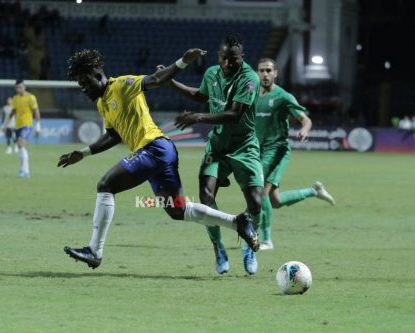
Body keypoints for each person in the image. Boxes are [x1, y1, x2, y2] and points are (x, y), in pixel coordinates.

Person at [58, 48, 259, 270]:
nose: (84, 89)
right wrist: (83, 153)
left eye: (85, 82)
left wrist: (183, 61)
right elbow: (114, 136)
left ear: (97, 75)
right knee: (177, 210)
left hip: (155, 148)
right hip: (159, 153)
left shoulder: (122, 85)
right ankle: (237, 222)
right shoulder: (101, 103)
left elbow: (155, 79)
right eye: (80, 86)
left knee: (106, 185)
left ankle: (95, 250)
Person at [159, 33, 264, 275]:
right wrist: (171, 83)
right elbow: (199, 95)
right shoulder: (211, 74)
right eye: (224, 59)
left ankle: (249, 244)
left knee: (256, 202)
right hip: (217, 146)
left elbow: (234, 114)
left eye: (233, 60)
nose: (228, 64)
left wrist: (198, 117)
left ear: (242, 58)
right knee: (206, 197)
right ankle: (218, 247)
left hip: (244, 147)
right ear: (219, 56)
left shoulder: (249, 78)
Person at [255, 58, 335, 251]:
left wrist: (305, 129)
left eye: (268, 71)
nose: (265, 74)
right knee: (275, 202)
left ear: (276, 73)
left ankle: (266, 240)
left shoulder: (283, 96)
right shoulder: (251, 94)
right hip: (258, 151)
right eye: (261, 71)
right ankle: (313, 191)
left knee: (260, 190)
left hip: (277, 150)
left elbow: (305, 119)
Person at [2, 80, 41, 178]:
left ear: (24, 87)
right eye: (17, 88)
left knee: (20, 143)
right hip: (18, 126)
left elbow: (36, 111)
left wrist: (38, 126)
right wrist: (5, 124)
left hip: (27, 125)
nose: (18, 89)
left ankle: (26, 171)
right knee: (21, 148)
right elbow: (12, 112)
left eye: (20, 87)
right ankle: (23, 170)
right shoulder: (15, 99)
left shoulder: (31, 97)